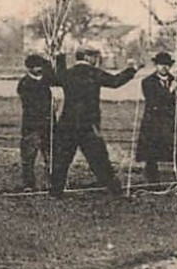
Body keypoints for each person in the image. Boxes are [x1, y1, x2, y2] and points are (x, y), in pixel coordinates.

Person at [48, 48, 139, 197]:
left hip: (67, 124)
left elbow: (56, 77)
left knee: (62, 159)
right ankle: (114, 190)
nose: (97, 60)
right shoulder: (94, 73)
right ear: (88, 58)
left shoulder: (67, 73)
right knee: (99, 158)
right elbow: (115, 82)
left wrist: (59, 57)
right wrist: (131, 69)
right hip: (88, 124)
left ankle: (55, 191)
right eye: (95, 57)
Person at [134, 51, 177, 183]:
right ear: (156, 65)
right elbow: (154, 100)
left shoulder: (175, 81)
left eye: (166, 65)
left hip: (173, 121)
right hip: (154, 122)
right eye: (161, 64)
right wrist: (169, 91)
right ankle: (152, 180)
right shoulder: (147, 82)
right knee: (151, 152)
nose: (164, 67)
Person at [17, 53, 55, 191]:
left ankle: (52, 182)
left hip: (48, 125)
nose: (40, 68)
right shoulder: (25, 83)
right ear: (30, 68)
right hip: (31, 126)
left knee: (51, 155)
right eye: (38, 66)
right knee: (28, 157)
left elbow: (53, 73)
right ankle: (28, 184)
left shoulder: (45, 80)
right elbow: (29, 105)